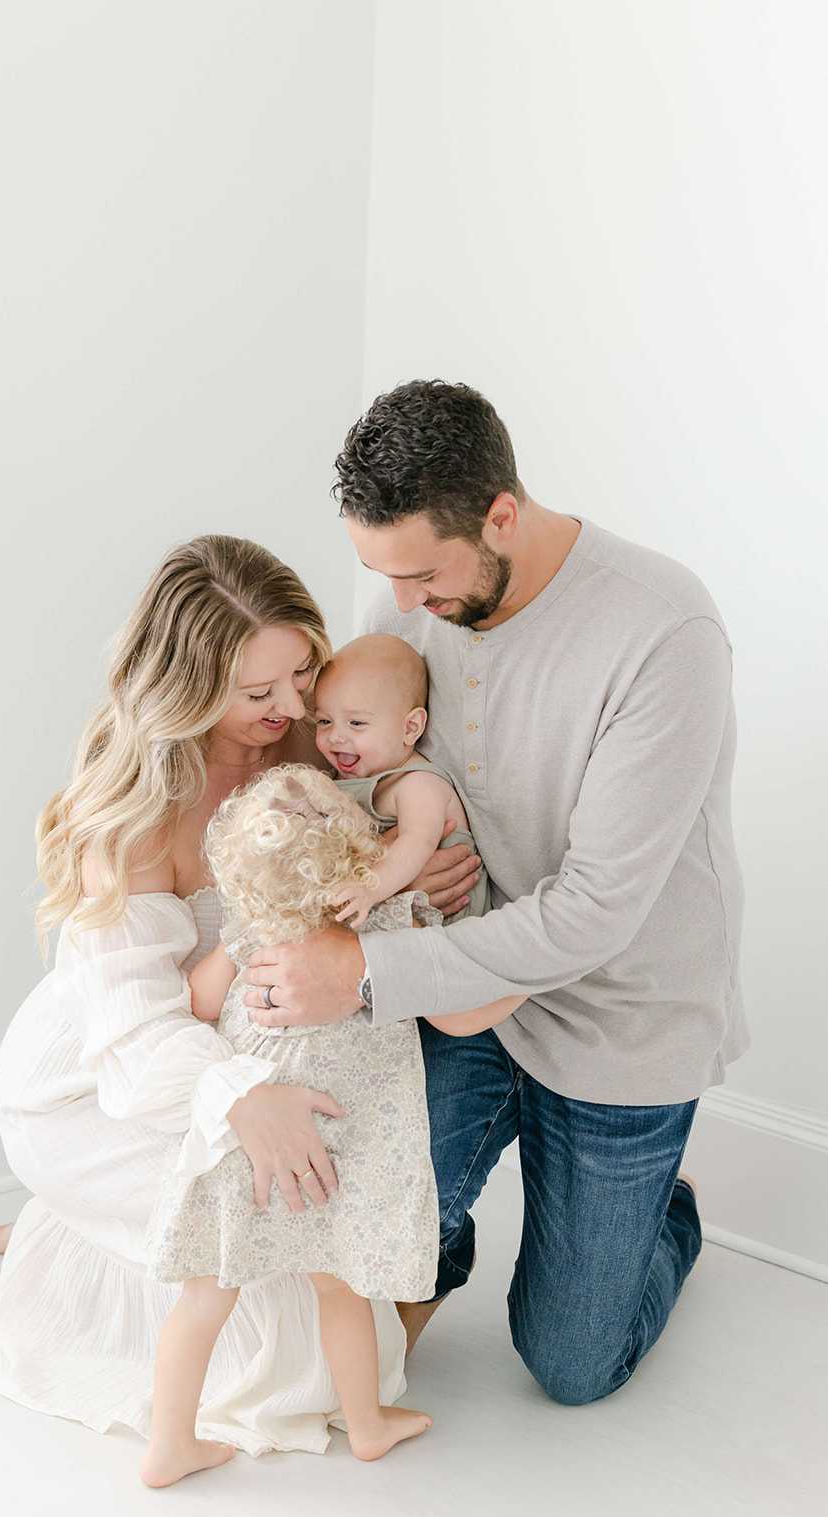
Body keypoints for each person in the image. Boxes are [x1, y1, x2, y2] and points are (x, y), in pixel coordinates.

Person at [242, 379, 747, 1406]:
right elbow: (367, 766)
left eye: (420, 574)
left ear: (500, 516)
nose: (397, 605)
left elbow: (596, 909)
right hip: (461, 989)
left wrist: (364, 971)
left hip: (614, 1011)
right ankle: (449, 1231)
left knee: (569, 1366)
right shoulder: (417, 604)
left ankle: (668, 1208)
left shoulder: (661, 631)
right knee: (367, 1228)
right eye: (380, 574)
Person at [0, 535, 456, 1456]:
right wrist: (242, 1101)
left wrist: (405, 889)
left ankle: (85, 1226)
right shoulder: (130, 820)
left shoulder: (325, 755)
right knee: (285, 1294)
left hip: (250, 1039)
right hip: (110, 1073)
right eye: (257, 695)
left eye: (303, 674)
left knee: (315, 1274)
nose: (293, 712)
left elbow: (342, 907)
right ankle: (71, 1209)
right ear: (189, 692)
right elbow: (138, 1033)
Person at [142, 765, 443, 1486]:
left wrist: (235, 949)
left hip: (250, 1146)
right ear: (354, 852)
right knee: (341, 1289)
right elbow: (453, 1003)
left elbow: (196, 1005)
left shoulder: (247, 935)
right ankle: (365, 1424)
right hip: (339, 1153)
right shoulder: (391, 927)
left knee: (203, 1297)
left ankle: (168, 1444)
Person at [312, 633, 490, 927]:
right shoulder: (342, 777)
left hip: (448, 932)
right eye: (324, 721)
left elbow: (417, 841)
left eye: (357, 723)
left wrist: (370, 887)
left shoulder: (418, 783)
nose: (336, 736)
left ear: (410, 728)